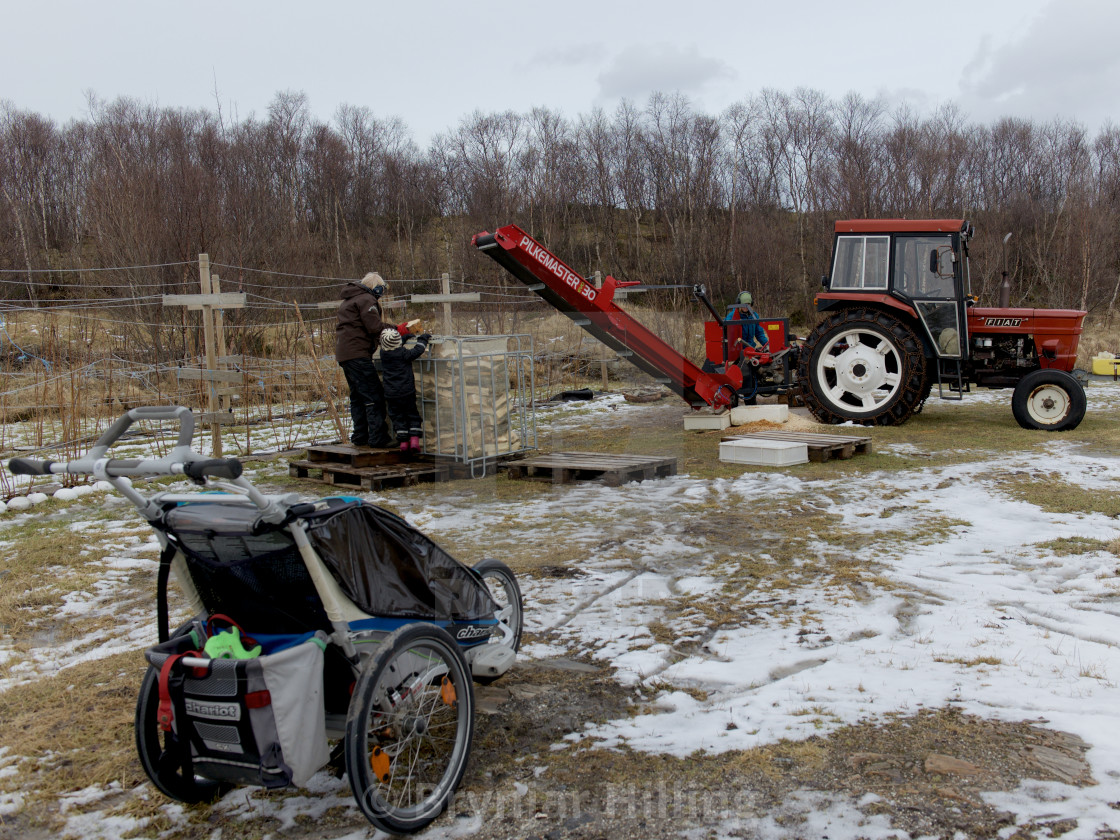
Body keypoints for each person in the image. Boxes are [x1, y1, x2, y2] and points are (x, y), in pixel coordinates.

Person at [335, 272, 397, 448]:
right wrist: (396, 329)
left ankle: (360, 435)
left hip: (345, 354)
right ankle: (378, 437)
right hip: (358, 354)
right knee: (373, 395)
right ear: (376, 287)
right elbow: (374, 327)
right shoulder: (366, 300)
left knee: (357, 396)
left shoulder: (349, 299)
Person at [378, 328, 432, 455]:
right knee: (412, 414)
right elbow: (417, 350)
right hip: (406, 391)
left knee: (398, 417)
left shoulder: (383, 354)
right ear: (398, 343)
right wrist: (422, 339)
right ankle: (414, 440)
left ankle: (403, 442)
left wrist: (404, 338)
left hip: (391, 394)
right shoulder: (403, 353)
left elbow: (392, 346)